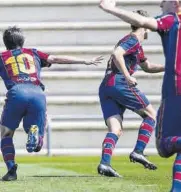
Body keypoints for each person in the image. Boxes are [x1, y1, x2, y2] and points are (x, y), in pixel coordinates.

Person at [0, 26, 103, 181]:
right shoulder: (33, 52)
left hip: (17, 92)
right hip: (37, 93)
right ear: (22, 41)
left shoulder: (2, 56)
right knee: (37, 143)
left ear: (5, 43)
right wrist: (84, 60)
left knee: (6, 134)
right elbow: (55, 58)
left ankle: (11, 169)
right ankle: (37, 135)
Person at [99, 0, 181, 190]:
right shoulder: (134, 38)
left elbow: (147, 67)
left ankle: (105, 163)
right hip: (119, 82)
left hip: (107, 86)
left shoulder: (137, 46)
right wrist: (128, 77)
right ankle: (138, 151)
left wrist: (167, 67)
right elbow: (117, 53)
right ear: (144, 26)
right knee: (151, 115)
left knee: (115, 128)